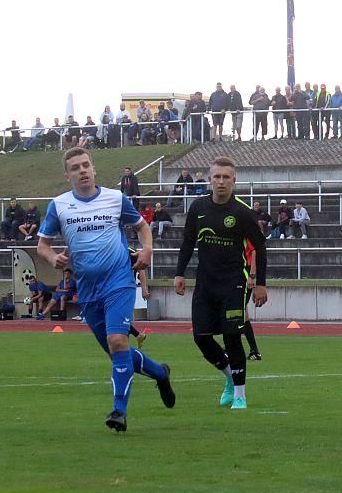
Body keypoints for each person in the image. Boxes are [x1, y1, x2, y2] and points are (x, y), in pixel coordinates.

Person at [36, 148, 175, 432]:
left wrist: (147, 249)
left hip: (119, 282)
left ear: (94, 169)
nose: (82, 170)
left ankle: (118, 411)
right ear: (68, 175)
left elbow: (142, 226)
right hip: (87, 290)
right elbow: (42, 245)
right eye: (76, 167)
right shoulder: (59, 206)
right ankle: (161, 373)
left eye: (86, 165)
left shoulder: (115, 198)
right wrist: (53, 258)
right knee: (118, 352)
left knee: (117, 342)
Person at [174, 156, 269, 410]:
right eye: (216, 177)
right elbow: (187, 242)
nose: (221, 181)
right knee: (201, 338)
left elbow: (260, 245)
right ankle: (230, 376)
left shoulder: (241, 212)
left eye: (226, 177)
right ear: (209, 180)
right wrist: (179, 273)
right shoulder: (198, 208)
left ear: (234, 181)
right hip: (205, 283)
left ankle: (240, 395)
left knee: (232, 337)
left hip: (234, 283)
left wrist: (260, 283)